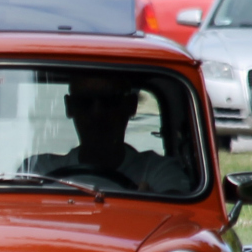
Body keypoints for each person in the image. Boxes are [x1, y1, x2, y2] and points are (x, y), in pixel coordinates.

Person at [22, 72, 188, 194]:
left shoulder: (159, 173)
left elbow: (178, 219)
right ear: (70, 107)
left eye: (110, 101)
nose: (97, 113)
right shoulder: (39, 171)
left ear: (131, 105)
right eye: (84, 102)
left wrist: (151, 205)